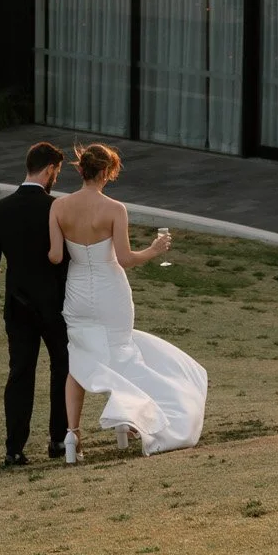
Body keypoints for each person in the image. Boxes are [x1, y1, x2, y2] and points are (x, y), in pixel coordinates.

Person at [48, 142, 207, 462]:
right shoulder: (114, 209)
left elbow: (54, 256)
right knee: (120, 355)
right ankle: (129, 421)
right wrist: (155, 249)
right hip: (111, 292)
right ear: (106, 172)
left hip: (77, 292)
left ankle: (72, 436)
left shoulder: (58, 207)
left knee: (78, 362)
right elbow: (125, 258)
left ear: (81, 170)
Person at [0, 140, 69, 467]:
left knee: (20, 374)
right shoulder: (56, 208)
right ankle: (58, 440)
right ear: (48, 170)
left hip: (17, 304)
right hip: (55, 304)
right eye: (56, 171)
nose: (56, 177)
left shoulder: (0, 209)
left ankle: (14, 448)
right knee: (62, 369)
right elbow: (65, 259)